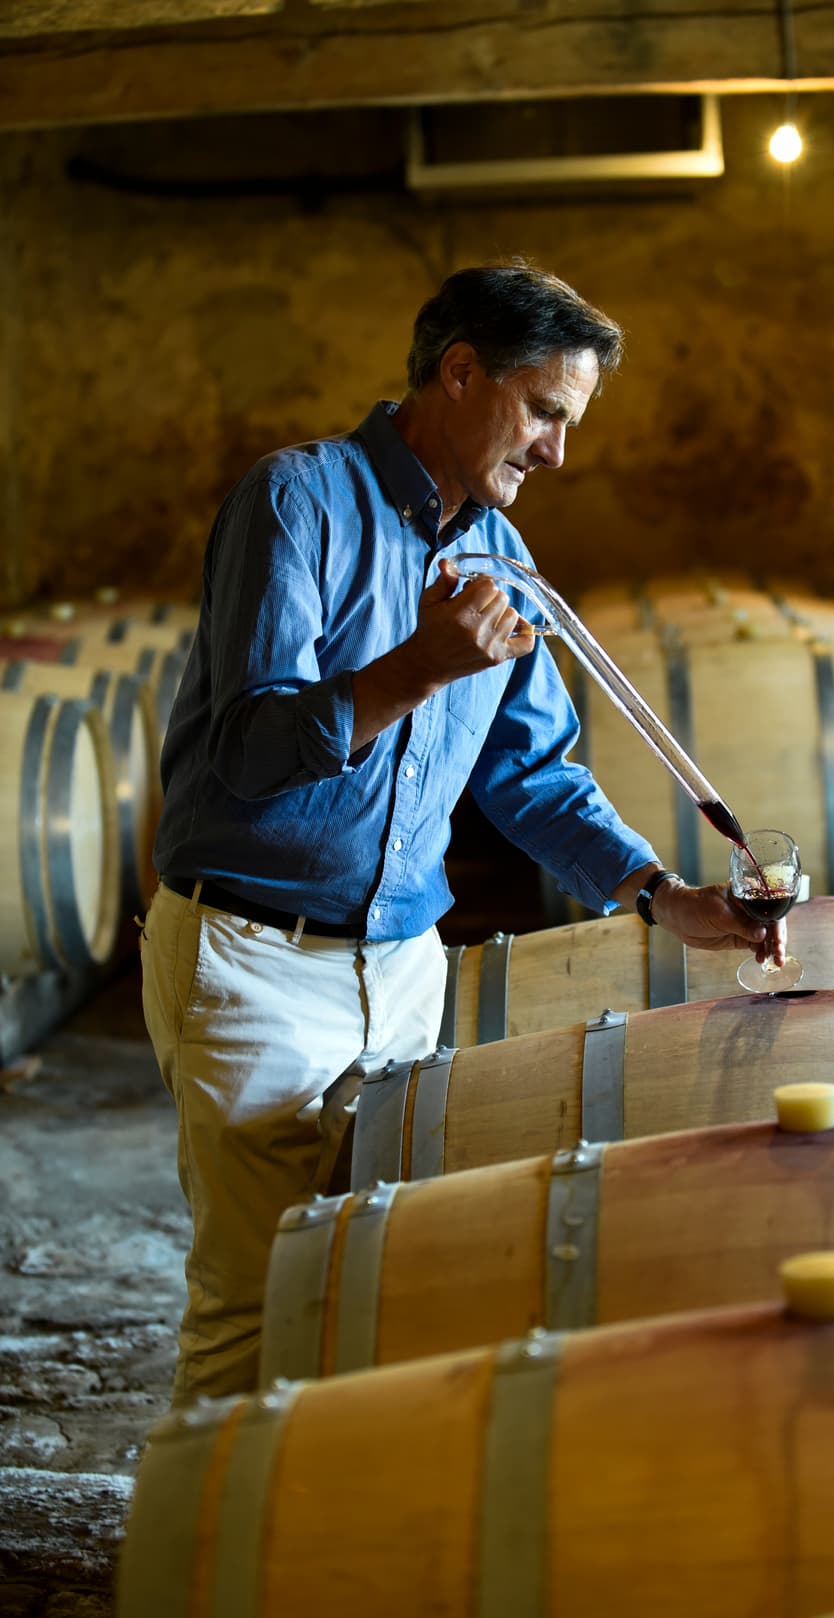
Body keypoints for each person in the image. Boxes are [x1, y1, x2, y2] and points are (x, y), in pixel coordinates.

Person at [140, 261, 774, 1405]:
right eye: (544, 413)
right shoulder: (296, 501)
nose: (557, 452)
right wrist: (418, 666)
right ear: (462, 371)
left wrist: (662, 893)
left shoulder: (507, 565)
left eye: (570, 424)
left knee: (371, 1289)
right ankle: (206, 1517)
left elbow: (534, 775)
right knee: (252, 1304)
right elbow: (248, 749)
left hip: (403, 970)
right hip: (257, 959)